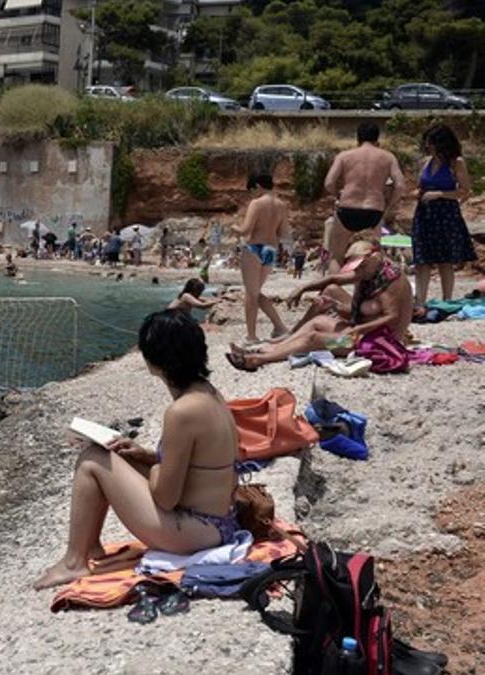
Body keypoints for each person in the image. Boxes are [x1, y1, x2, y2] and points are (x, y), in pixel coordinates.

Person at [33, 310, 239, 590]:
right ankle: (89, 547)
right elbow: (197, 467)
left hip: (193, 532)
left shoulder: (182, 412)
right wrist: (145, 456)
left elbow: (166, 498)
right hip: (220, 523)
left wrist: (154, 467)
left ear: (153, 361)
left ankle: (74, 562)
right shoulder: (209, 393)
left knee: (93, 459)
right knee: (115, 455)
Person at [226, 241, 412, 371]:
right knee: (319, 321)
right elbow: (334, 279)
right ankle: (272, 347)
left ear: (375, 257)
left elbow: (392, 316)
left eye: (361, 267)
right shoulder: (370, 271)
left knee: (314, 339)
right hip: (360, 333)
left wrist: (359, 329)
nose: (358, 272)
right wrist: (303, 288)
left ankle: (258, 359)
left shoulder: (392, 279)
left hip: (372, 343)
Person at [412, 124, 478, 306]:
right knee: (422, 259)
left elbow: (465, 191)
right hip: (425, 213)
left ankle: (447, 300)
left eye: (431, 144)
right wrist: (418, 192)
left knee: (445, 259)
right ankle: (420, 301)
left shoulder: (456, 162)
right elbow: (420, 185)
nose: (428, 147)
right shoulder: (426, 162)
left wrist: (440, 194)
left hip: (446, 213)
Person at [324, 123, 406, 269]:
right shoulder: (388, 157)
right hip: (374, 210)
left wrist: (338, 196)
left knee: (335, 256)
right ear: (377, 140)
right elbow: (400, 186)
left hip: (347, 208)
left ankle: (333, 290)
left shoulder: (344, 156)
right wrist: (388, 206)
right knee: (372, 257)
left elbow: (329, 183)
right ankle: (364, 291)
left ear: (358, 139)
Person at [234, 174, 290, 344]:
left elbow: (245, 230)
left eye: (252, 190)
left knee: (251, 295)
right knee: (256, 292)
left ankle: (251, 336)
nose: (251, 195)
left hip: (254, 248)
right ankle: (280, 327)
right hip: (271, 249)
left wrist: (233, 227)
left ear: (258, 186)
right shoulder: (282, 205)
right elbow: (284, 232)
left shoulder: (257, 204)